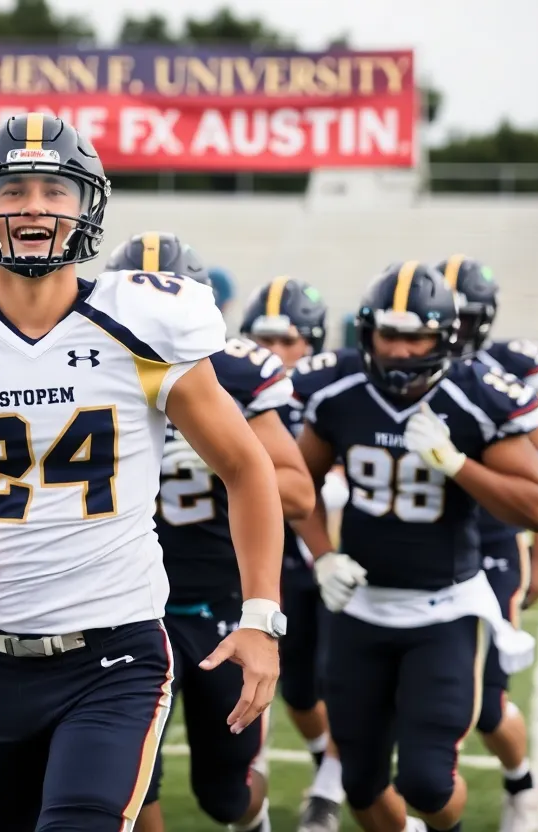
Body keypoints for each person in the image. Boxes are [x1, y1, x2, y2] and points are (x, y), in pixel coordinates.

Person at [0, 114, 286, 832]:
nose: (35, 206)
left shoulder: (144, 321)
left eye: (56, 188)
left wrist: (262, 616)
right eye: (13, 188)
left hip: (117, 652)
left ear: (88, 204)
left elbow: (247, 468)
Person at [290, 261, 538, 832]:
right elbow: (294, 487)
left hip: (444, 608)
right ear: (366, 331)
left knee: (428, 781)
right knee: (360, 783)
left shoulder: (477, 395)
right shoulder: (336, 389)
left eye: (417, 336)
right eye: (390, 333)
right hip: (360, 609)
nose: (402, 350)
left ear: (445, 337)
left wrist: (457, 465)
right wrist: (323, 553)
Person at [102, 233, 315, 832]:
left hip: (218, 604)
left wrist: (225, 463)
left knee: (224, 795)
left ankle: (254, 811)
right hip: (128, 606)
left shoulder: (239, 375)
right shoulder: (86, 368)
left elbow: (298, 493)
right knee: (129, 781)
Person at [436, 255, 538, 832]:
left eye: (466, 319)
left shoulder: (507, 375)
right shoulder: (400, 369)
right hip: (429, 552)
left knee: (486, 706)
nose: (452, 329)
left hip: (491, 543)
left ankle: (520, 781)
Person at [241, 277, 345, 832]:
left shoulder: (329, 396)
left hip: (329, 564)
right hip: (260, 564)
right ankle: (319, 761)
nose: (274, 352)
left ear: (313, 343)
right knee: (297, 691)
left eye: (288, 341)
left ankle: (329, 787)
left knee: (333, 681)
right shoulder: (232, 389)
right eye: (264, 339)